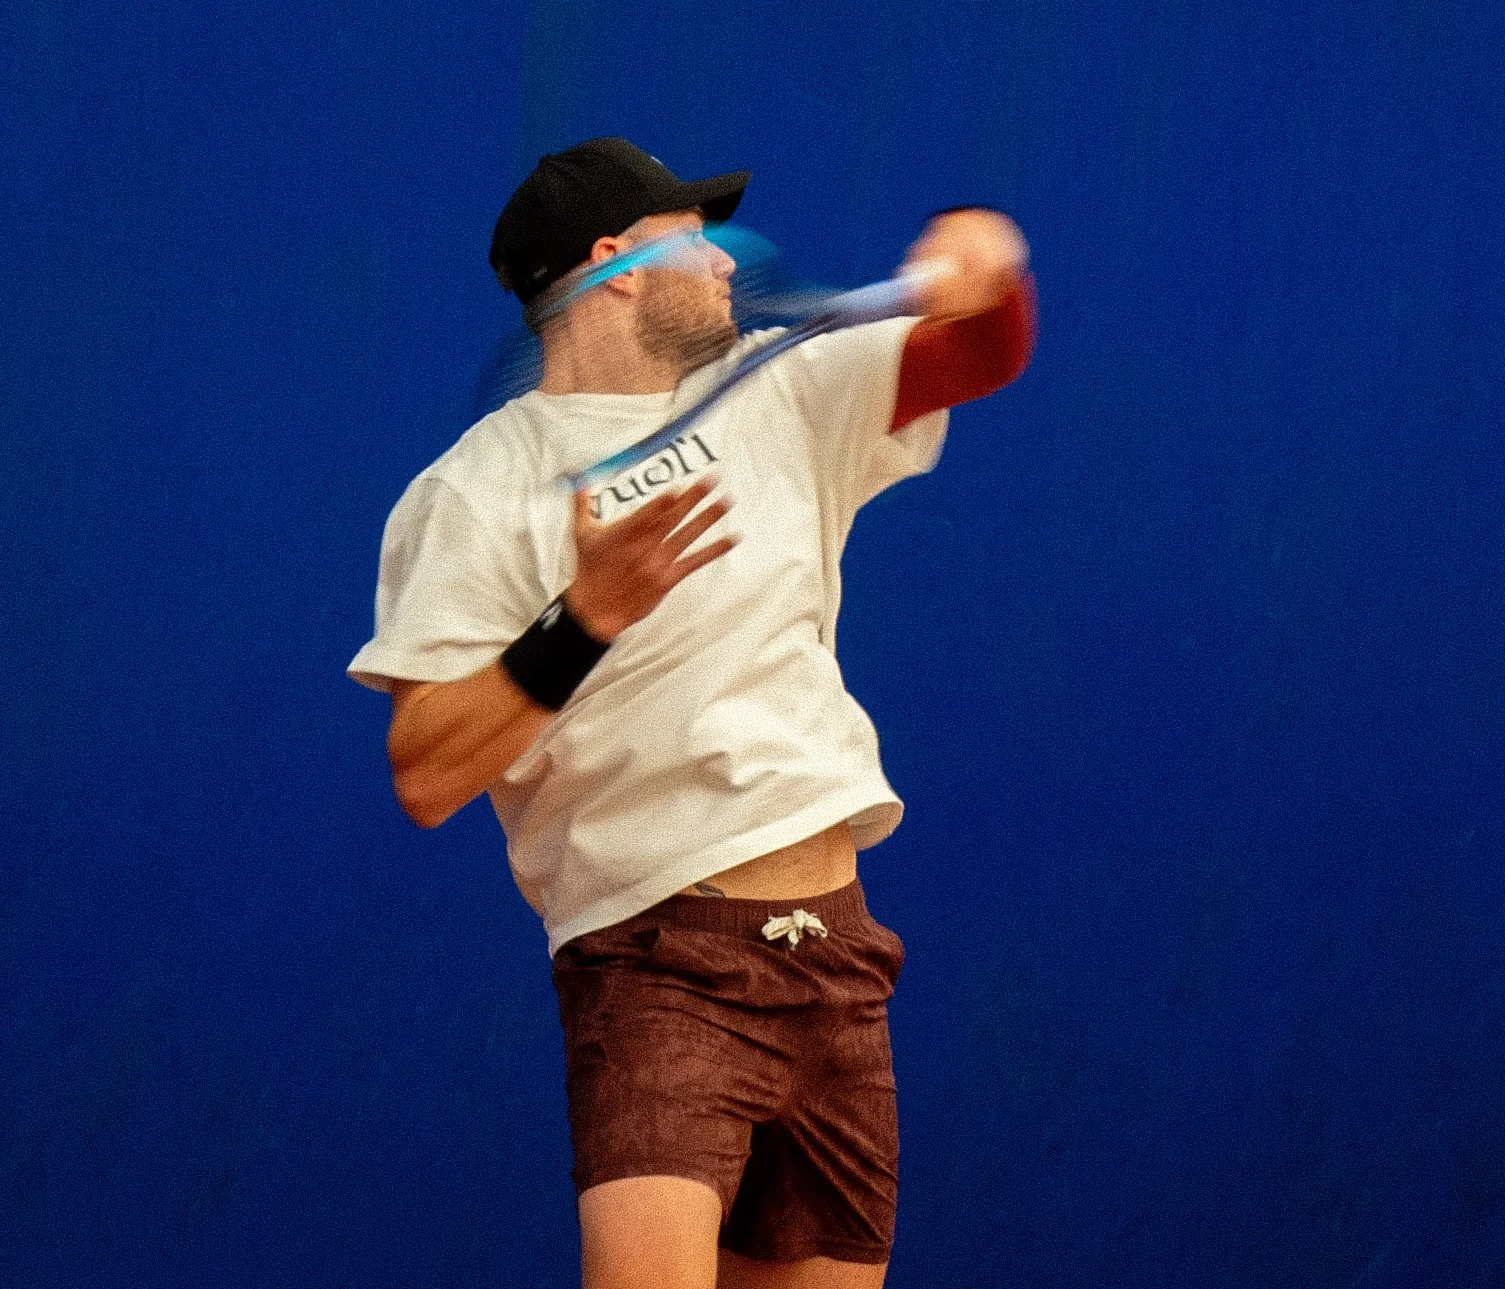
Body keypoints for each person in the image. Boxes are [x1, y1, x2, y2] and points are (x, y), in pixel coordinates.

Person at [347, 137, 1034, 1289]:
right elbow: (424, 773)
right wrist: (585, 618)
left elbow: (977, 350)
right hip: (655, 962)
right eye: (697, 240)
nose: (727, 267)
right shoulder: (471, 492)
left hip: (839, 959)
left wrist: (987, 258)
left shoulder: (791, 384)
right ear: (612, 263)